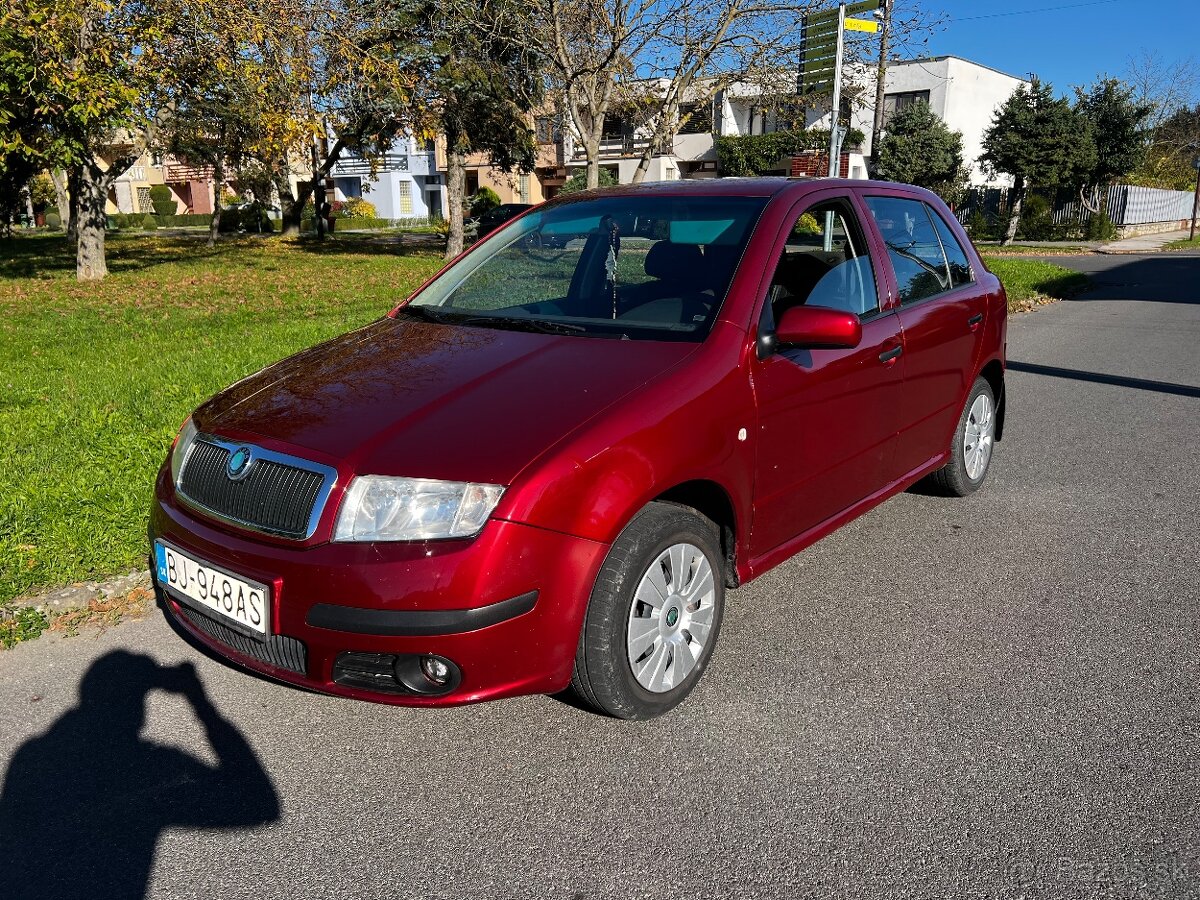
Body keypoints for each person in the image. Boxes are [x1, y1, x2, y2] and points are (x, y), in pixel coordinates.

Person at [0, 651, 279, 900]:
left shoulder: (33, 752)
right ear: (136, 707)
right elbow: (260, 806)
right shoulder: (156, 763)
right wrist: (200, 702)